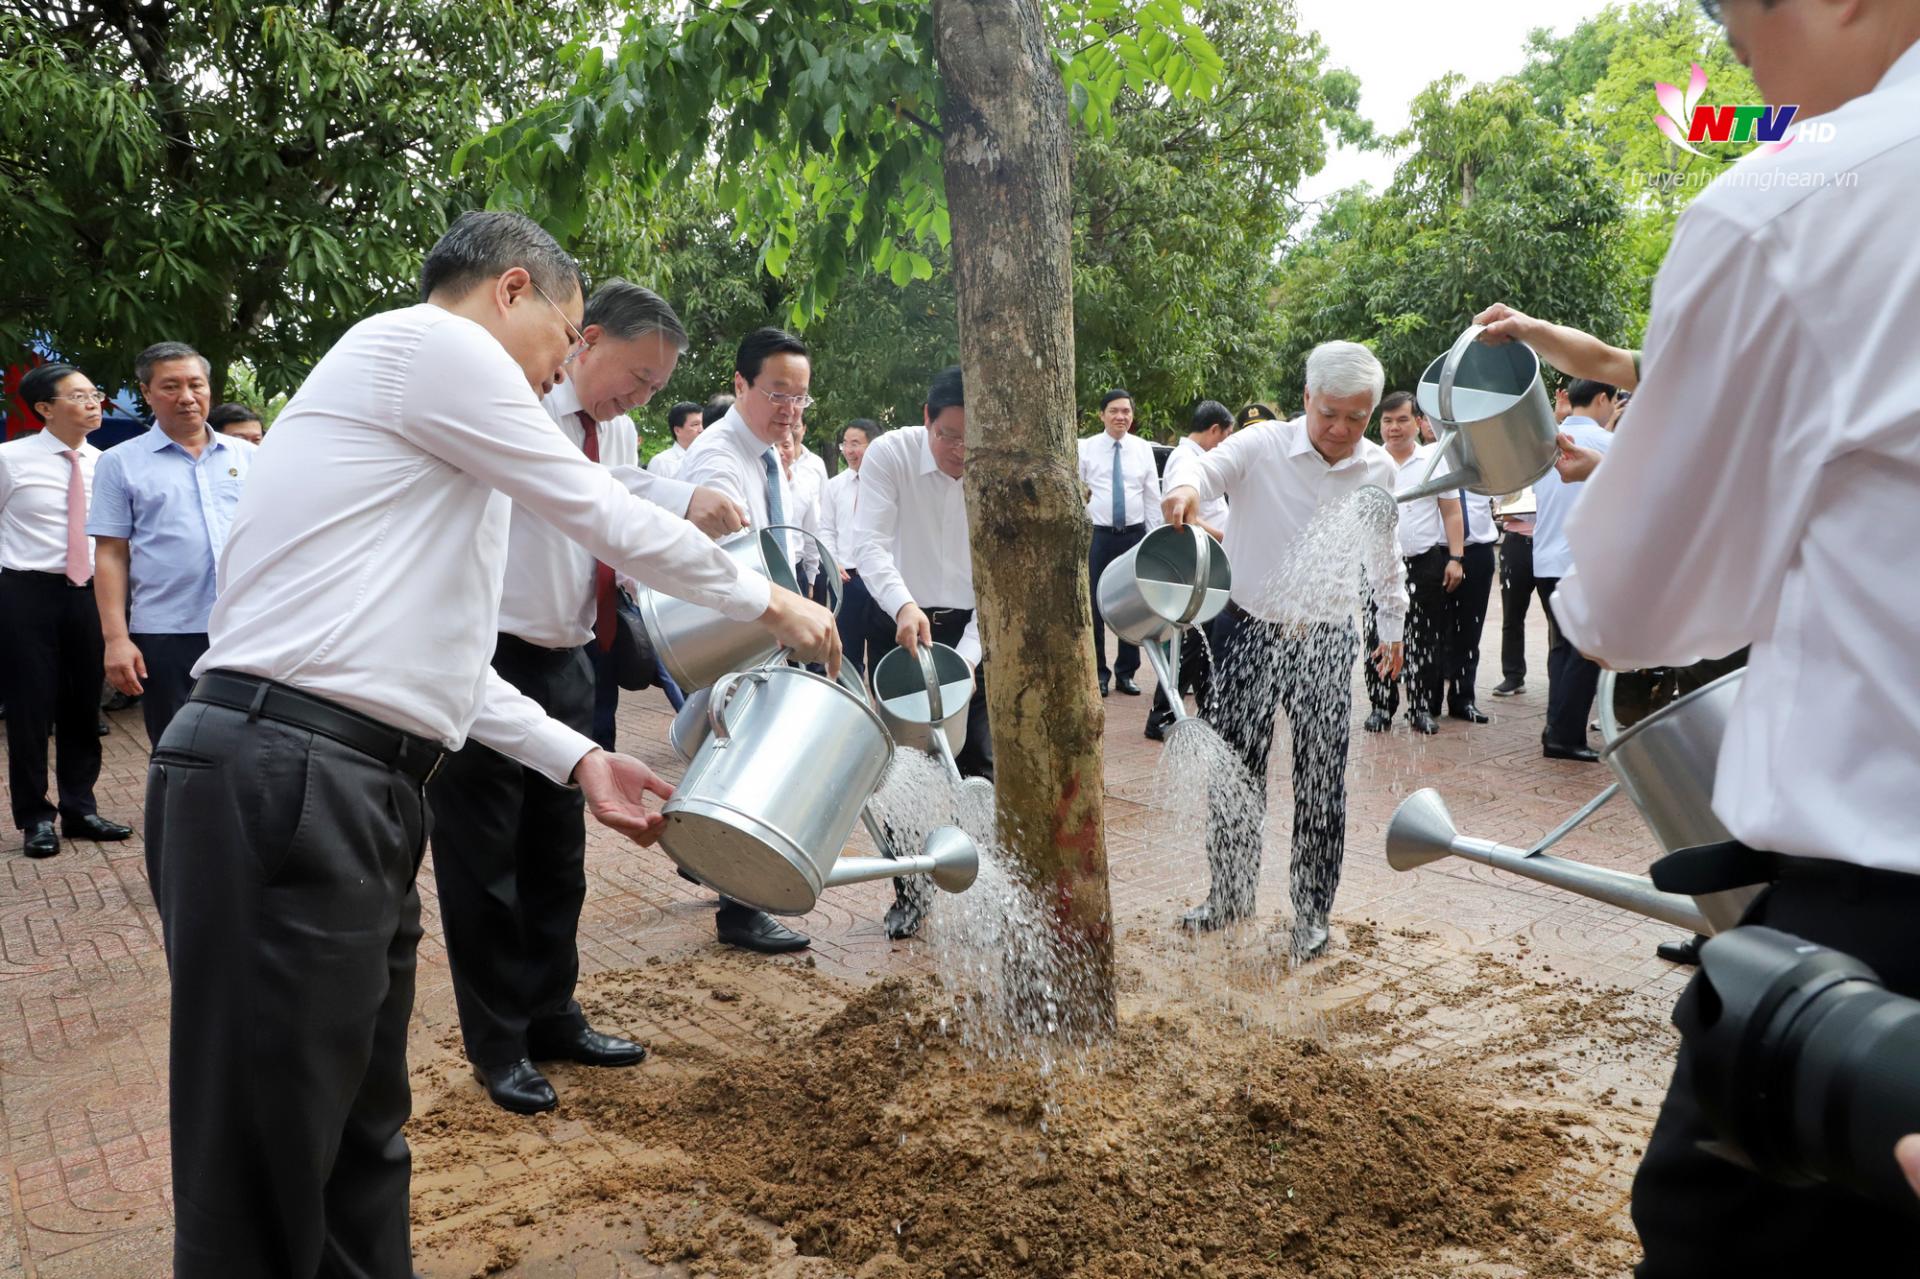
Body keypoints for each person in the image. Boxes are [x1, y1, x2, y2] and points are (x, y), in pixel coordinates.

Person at [145, 211, 837, 1278]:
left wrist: (577, 756)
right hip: (288, 775)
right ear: (512, 289)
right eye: (569, 333)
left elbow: (448, 666)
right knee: (264, 1162)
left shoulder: (432, 426)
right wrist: (770, 601)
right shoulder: (431, 346)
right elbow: (597, 507)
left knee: (358, 1138)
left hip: (350, 782)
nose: (566, 364)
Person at [1486, 3, 1920, 1269]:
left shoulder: (1796, 202)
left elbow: (1628, 605)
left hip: (1876, 935)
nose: (1720, 19)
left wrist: (1637, 476)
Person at [426, 279, 730, 1118]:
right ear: (585, 339)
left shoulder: (614, 425)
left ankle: (554, 1014)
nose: (638, 397)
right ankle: (499, 1045)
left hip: (568, 654)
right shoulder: (514, 400)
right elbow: (582, 491)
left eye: (655, 389)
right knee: (484, 864)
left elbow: (620, 485)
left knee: (557, 855)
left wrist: (682, 499)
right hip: (486, 657)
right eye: (633, 376)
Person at [1162, 341, 1405, 960]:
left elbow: (1385, 558)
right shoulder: (1262, 445)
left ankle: (1313, 911)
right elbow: (1198, 467)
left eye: (1357, 417)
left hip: (1324, 637)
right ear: (1306, 399)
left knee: (1322, 779)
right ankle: (1229, 895)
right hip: (1247, 628)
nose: (1341, 430)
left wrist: (1392, 627)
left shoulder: (1378, 469)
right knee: (1236, 771)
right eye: (1330, 414)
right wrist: (1183, 494)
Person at [678, 326, 823, 956]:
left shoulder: (768, 452)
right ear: (740, 384)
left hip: (765, 629)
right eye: (777, 394)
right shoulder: (719, 458)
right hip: (741, 633)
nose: (789, 410)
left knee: (739, 760)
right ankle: (741, 910)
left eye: (800, 398)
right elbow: (731, 567)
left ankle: (726, 882)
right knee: (752, 768)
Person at [852, 366, 988, 939]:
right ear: (926, 420)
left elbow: (997, 573)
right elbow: (869, 544)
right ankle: (911, 892)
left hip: (971, 631)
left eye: (970, 437)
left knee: (979, 764)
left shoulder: (993, 466)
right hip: (898, 625)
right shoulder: (891, 455)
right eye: (949, 435)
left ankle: (983, 893)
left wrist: (973, 656)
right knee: (905, 771)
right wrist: (905, 605)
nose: (960, 449)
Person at [89, 342, 255, 749]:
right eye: (170, 387)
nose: (186, 397)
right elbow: (110, 552)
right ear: (146, 393)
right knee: (177, 746)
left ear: (209, 388)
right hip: (168, 630)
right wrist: (116, 639)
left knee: (250, 742)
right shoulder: (120, 462)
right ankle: (177, 815)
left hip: (247, 624)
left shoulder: (249, 457)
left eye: (196, 385)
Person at [0, 364, 134, 859]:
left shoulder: (108, 464)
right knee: (30, 708)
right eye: (78, 395)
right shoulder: (10, 459)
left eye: (95, 393)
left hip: (89, 594)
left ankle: (80, 807)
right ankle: (35, 817)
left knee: (83, 705)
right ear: (44, 408)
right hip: (24, 593)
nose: (94, 402)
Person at [1364, 391, 1462, 736]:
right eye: (1387, 421)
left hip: (1425, 563)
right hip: (1377, 569)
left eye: (1402, 419)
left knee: (1425, 638)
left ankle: (1421, 707)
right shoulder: (1369, 462)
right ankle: (1381, 706)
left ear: (1418, 423)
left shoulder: (1434, 460)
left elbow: (1450, 510)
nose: (1394, 428)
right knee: (1378, 637)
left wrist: (1455, 557)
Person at [1530, 378, 1614, 762]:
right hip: (1584, 563)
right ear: (1603, 398)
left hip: (1545, 559)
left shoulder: (1544, 441)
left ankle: (1556, 728)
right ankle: (1565, 735)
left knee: (1563, 648)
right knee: (1586, 651)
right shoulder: (1611, 445)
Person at [1146, 400, 1231, 742]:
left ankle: (1208, 709)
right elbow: (1185, 518)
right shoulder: (1186, 460)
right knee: (1191, 644)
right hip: (1197, 566)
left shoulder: (1198, 458)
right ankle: (1162, 715)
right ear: (1214, 430)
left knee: (1203, 643)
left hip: (1208, 564)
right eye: (1226, 436)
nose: (1225, 443)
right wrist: (1227, 536)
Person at [1078, 388, 1163, 697]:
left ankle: (1126, 673)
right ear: (1102, 415)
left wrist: (1154, 539)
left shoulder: (1142, 449)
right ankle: (1098, 672)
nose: (1121, 417)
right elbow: (1079, 495)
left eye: (1126, 411)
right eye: (1114, 411)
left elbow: (1152, 497)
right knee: (1095, 604)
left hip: (1134, 535)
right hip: (1098, 537)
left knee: (1134, 603)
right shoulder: (1085, 448)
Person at [819, 419, 877, 677]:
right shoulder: (834, 486)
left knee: (882, 648)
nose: (849, 450)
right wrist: (834, 563)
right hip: (846, 579)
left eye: (856, 444)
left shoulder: (887, 485)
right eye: (845, 444)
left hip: (879, 579)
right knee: (847, 653)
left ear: (873, 445)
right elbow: (826, 530)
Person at [1442, 476, 1499, 723]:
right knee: (1434, 631)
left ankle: (1463, 699)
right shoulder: (1429, 460)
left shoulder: (1483, 457)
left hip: (1478, 550)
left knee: (1469, 631)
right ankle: (1428, 702)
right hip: (1439, 550)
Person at [1491, 490, 1538, 698]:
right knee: (1512, 614)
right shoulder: (1513, 473)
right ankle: (1513, 675)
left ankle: (1560, 676)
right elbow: (1502, 511)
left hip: (1551, 541)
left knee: (1557, 617)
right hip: (1516, 544)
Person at [648, 400, 703, 478]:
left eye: (702, 424)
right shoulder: (661, 463)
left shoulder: (707, 459)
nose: (701, 430)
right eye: (695, 424)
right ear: (677, 430)